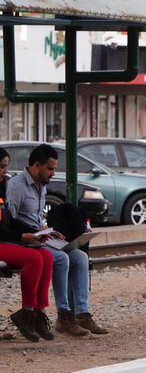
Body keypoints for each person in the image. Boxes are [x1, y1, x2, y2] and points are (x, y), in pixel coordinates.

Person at [4, 144, 105, 338]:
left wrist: (48, 231)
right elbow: (11, 221)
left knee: (80, 258)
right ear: (36, 166)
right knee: (61, 259)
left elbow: (36, 217)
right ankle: (64, 316)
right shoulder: (17, 186)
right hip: (28, 241)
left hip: (41, 238)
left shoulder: (41, 186)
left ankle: (82, 313)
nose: (52, 173)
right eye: (50, 169)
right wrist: (36, 232)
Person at [0, 151, 55, 342]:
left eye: (6, 166)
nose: (5, 171)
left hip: (6, 240)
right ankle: (27, 312)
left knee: (47, 257)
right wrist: (22, 236)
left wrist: (37, 233)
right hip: (2, 242)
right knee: (33, 258)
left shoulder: (2, 187)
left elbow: (9, 221)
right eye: (1, 166)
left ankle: (38, 313)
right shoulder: (12, 186)